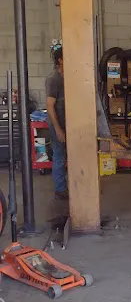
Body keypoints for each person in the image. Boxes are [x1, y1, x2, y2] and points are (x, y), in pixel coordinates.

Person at [46, 47, 68, 200]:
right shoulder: (54, 79)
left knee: (68, 155)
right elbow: (49, 105)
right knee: (59, 156)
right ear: (60, 60)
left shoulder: (66, 77)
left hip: (67, 124)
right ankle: (60, 189)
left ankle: (70, 186)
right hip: (57, 125)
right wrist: (58, 129)